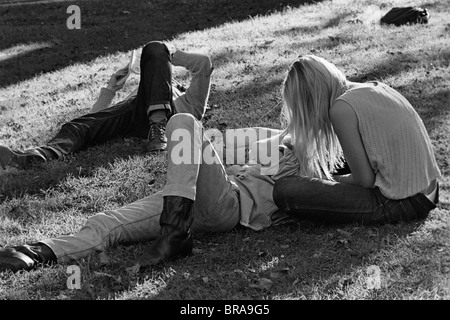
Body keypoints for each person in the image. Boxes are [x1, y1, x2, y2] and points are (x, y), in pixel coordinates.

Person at [272, 55, 441, 225]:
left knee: (285, 189)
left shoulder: (341, 109)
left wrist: (325, 178)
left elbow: (364, 181)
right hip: (426, 191)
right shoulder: (371, 88)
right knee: (328, 163)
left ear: (311, 101)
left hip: (402, 200)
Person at [0, 41, 213, 168]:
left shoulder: (191, 104)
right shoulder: (140, 95)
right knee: (77, 126)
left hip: (168, 121)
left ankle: (158, 129)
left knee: (155, 47)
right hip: (134, 115)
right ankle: (39, 156)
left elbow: (203, 64)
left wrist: (167, 57)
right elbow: (93, 119)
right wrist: (111, 89)